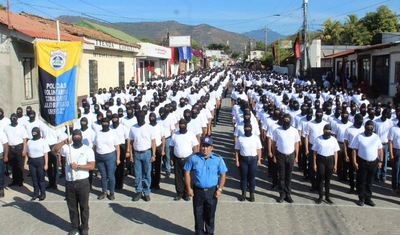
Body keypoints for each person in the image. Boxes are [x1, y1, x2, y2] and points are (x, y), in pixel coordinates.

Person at [54, 129, 95, 235]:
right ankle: (75, 227)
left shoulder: (87, 150)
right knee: (72, 207)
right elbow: (54, 149)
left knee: (84, 206)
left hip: (82, 182)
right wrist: (64, 142)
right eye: (74, 136)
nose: (76, 138)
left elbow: (91, 166)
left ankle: (85, 227)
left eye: (78, 136)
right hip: (70, 182)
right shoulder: (68, 148)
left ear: (81, 137)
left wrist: (78, 167)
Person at [184, 136, 227, 235]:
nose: (205, 148)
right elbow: (186, 172)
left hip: (212, 192)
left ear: (212, 148)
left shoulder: (218, 159)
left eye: (207, 146)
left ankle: (210, 232)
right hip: (198, 191)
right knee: (198, 214)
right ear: (200, 146)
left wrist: (220, 189)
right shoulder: (193, 158)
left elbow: (223, 174)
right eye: (203, 146)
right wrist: (189, 189)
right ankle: (199, 232)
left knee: (210, 215)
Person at [350, 120, 383, 207]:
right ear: (365, 127)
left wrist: (381, 161)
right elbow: (354, 150)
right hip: (362, 162)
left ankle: (368, 198)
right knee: (362, 181)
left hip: (373, 162)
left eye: (371, 127)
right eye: (368, 127)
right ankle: (361, 198)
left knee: (370, 181)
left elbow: (380, 149)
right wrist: (354, 161)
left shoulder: (376, 137)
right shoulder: (359, 137)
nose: (369, 129)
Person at [127, 110, 156, 202]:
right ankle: (138, 191)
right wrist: (130, 154)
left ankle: (147, 192)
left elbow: (153, 142)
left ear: (144, 117)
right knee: (138, 174)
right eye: (138, 117)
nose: (140, 119)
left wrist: (153, 154)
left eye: (141, 117)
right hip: (136, 154)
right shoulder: (133, 128)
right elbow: (130, 142)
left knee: (147, 174)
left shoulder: (150, 128)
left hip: (147, 153)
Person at [272, 114, 300, 203]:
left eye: (288, 119)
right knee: (281, 176)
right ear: (282, 120)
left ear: (290, 120)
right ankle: (282, 194)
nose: (286, 121)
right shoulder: (277, 130)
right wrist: (274, 155)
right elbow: (273, 143)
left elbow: (297, 144)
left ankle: (288, 194)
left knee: (289, 176)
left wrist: (297, 156)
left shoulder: (294, 131)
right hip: (280, 155)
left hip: (291, 155)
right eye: (285, 119)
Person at [170, 119, 199, 201]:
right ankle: (179, 193)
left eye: (183, 124)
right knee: (178, 177)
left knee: (188, 177)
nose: (182, 126)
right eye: (180, 124)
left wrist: (195, 159)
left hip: (188, 159)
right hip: (177, 159)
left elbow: (195, 147)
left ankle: (186, 193)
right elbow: (171, 147)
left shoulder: (191, 134)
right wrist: (171, 158)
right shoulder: (175, 134)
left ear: (186, 125)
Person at [93, 117, 120, 200]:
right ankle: (104, 191)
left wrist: (118, 158)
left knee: (110, 175)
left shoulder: (113, 133)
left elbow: (117, 147)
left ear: (109, 123)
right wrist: (94, 156)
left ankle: (112, 192)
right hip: (99, 156)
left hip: (110, 156)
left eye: (106, 123)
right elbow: (95, 145)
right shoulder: (98, 133)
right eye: (103, 123)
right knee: (103, 176)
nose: (105, 124)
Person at [312, 124, 339, 204]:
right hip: (321, 159)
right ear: (323, 130)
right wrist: (314, 164)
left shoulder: (333, 140)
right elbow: (314, 152)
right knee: (320, 178)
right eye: (326, 130)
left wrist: (335, 164)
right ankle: (320, 196)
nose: (327, 131)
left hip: (330, 160)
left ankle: (327, 196)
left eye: (329, 130)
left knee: (328, 179)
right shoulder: (318, 139)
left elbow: (335, 152)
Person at [234, 123, 262, 202]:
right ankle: (243, 194)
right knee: (243, 178)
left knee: (252, 178)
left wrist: (259, 159)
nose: (247, 129)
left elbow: (259, 149)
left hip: (253, 159)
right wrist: (237, 160)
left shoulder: (255, 138)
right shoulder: (240, 138)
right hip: (243, 159)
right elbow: (237, 150)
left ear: (251, 128)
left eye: (249, 128)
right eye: (246, 128)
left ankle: (252, 194)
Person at [25, 127, 50, 201]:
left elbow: (46, 154)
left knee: (41, 178)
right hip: (31, 161)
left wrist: (46, 164)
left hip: (40, 160)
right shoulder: (29, 141)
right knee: (34, 178)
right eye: (33, 133)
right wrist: (25, 163)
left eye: (35, 133)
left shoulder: (43, 142)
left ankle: (42, 193)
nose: (34, 134)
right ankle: (36, 193)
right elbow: (27, 152)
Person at [4, 113, 28, 187]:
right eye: (11, 118)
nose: (12, 120)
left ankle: (20, 180)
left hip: (19, 148)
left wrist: (24, 150)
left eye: (14, 118)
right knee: (13, 166)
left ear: (17, 119)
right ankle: (14, 180)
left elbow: (24, 139)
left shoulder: (21, 128)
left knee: (19, 165)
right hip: (11, 148)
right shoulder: (7, 127)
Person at [0, 130, 8, 198]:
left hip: (0, 157)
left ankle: (1, 189)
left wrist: (5, 156)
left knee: (0, 174)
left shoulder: (1, 133)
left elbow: (5, 145)